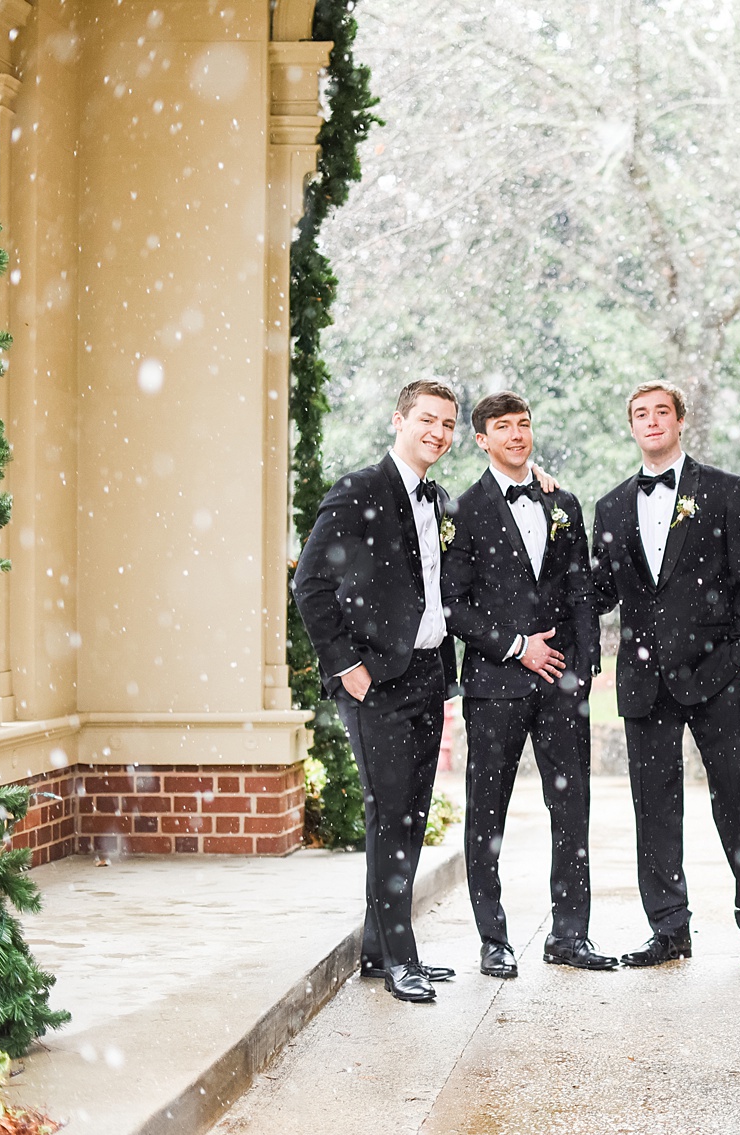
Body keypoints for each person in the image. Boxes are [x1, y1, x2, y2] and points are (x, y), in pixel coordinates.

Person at [590, 381, 740, 969]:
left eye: (661, 413)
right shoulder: (612, 505)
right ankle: (669, 929)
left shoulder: (725, 492)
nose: (651, 422)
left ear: (680, 421)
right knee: (654, 809)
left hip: (718, 675)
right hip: (645, 684)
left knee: (736, 802)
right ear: (631, 427)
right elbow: (598, 592)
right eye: (640, 415)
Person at [293, 379, 463, 1004]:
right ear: (398, 420)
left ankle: (378, 948)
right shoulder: (358, 490)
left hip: (425, 675)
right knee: (391, 814)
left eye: (447, 424)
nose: (437, 433)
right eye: (426, 419)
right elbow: (310, 585)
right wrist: (345, 667)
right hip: (374, 682)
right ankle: (402, 957)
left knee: (409, 815)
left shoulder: (439, 499)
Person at [442, 391, 615, 978]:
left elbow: (580, 592)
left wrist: (584, 667)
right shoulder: (463, 511)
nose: (517, 435)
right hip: (495, 687)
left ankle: (571, 935)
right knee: (486, 814)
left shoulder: (563, 502)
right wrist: (518, 647)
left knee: (572, 811)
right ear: (482, 439)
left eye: (524, 424)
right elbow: (454, 605)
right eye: (503, 428)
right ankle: (494, 939)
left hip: (562, 687)